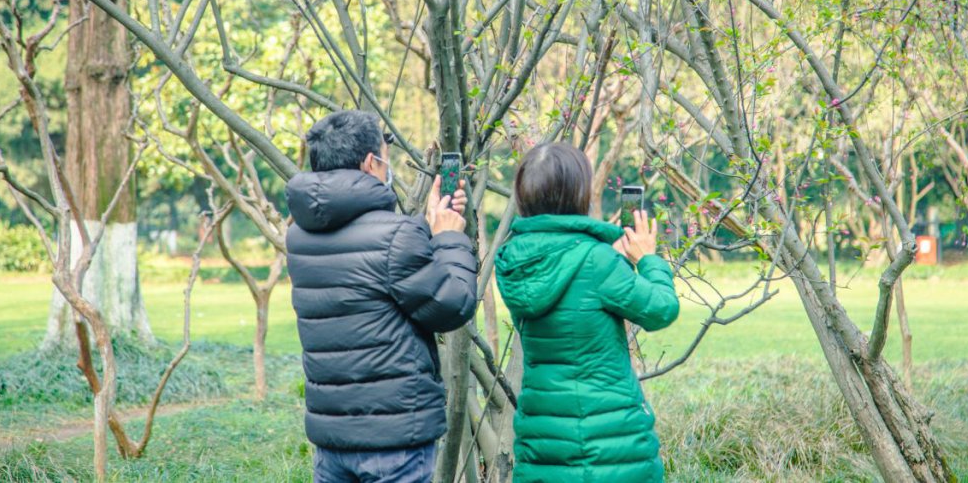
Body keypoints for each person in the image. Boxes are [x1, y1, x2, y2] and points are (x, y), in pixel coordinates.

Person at [285, 110, 478, 483]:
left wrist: (423, 227)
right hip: (395, 440)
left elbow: (371, 275)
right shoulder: (396, 237)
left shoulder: (299, 238)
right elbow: (453, 304)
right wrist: (449, 238)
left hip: (332, 438)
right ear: (371, 162)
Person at [494, 143, 680, 483]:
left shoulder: (513, 260)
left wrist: (616, 263)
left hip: (543, 444)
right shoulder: (597, 261)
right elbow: (661, 310)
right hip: (610, 449)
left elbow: (573, 302)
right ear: (579, 194)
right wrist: (648, 260)